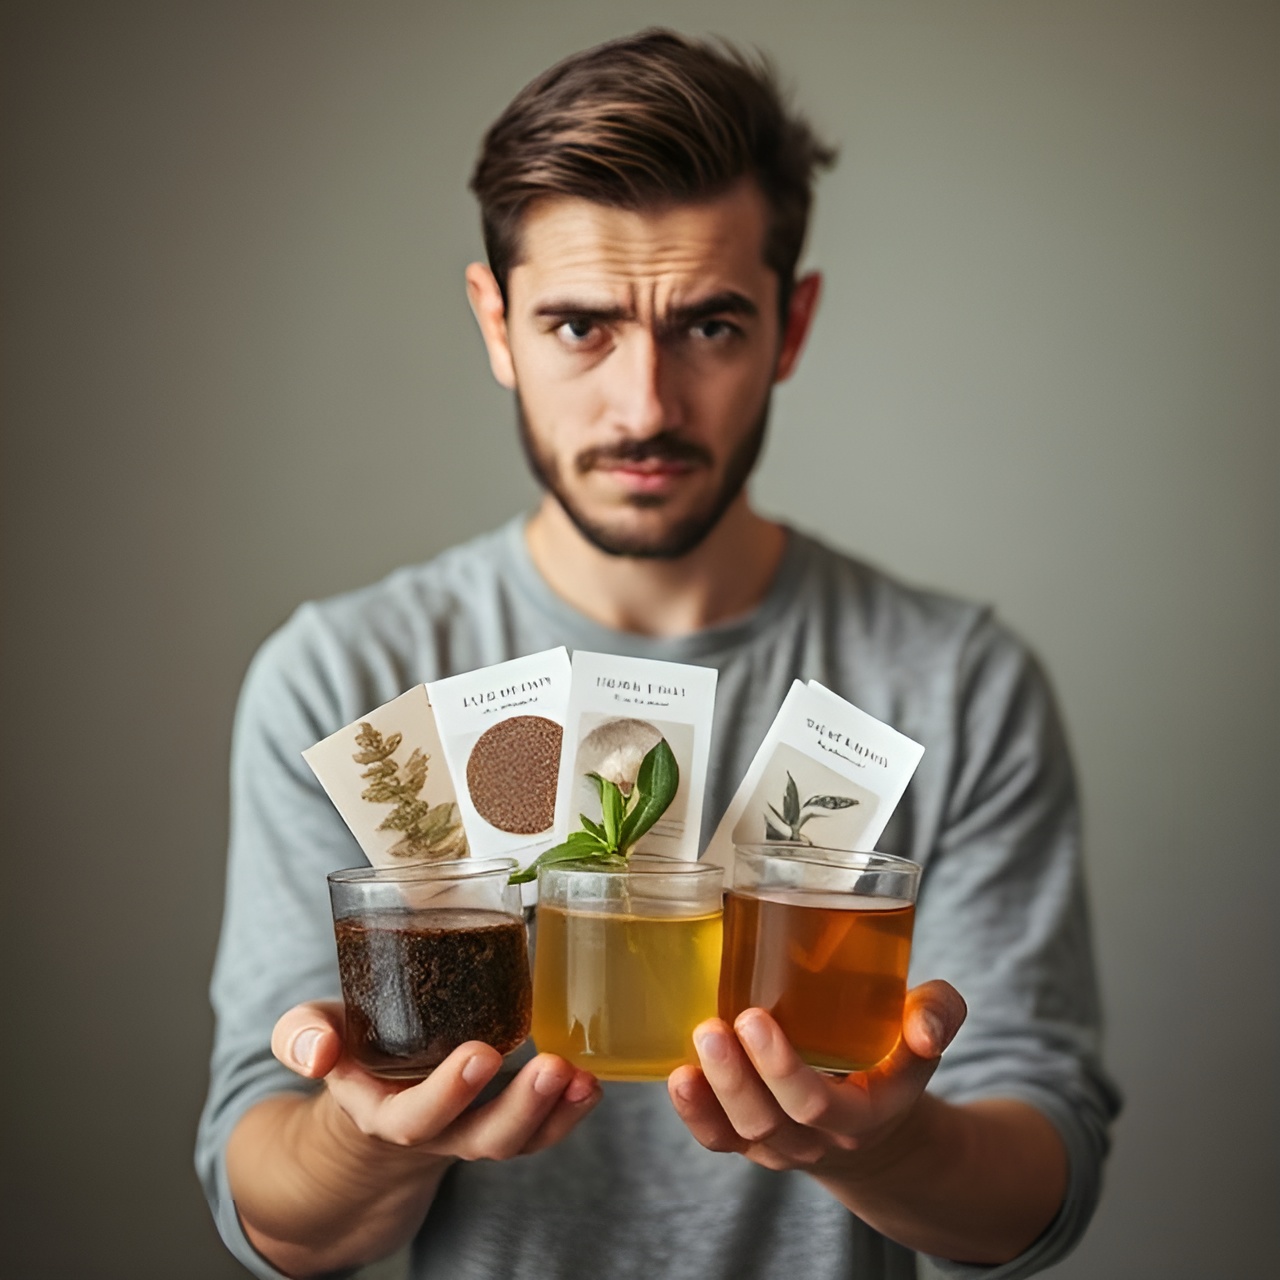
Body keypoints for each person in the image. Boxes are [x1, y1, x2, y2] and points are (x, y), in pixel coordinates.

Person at [198, 29, 1119, 1280]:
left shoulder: (953, 681)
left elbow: (1036, 1178)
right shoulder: (341, 673)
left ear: (789, 328)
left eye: (708, 327)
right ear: (495, 323)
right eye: (578, 325)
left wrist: (874, 1148)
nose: (642, 405)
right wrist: (371, 1141)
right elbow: (268, 1197)